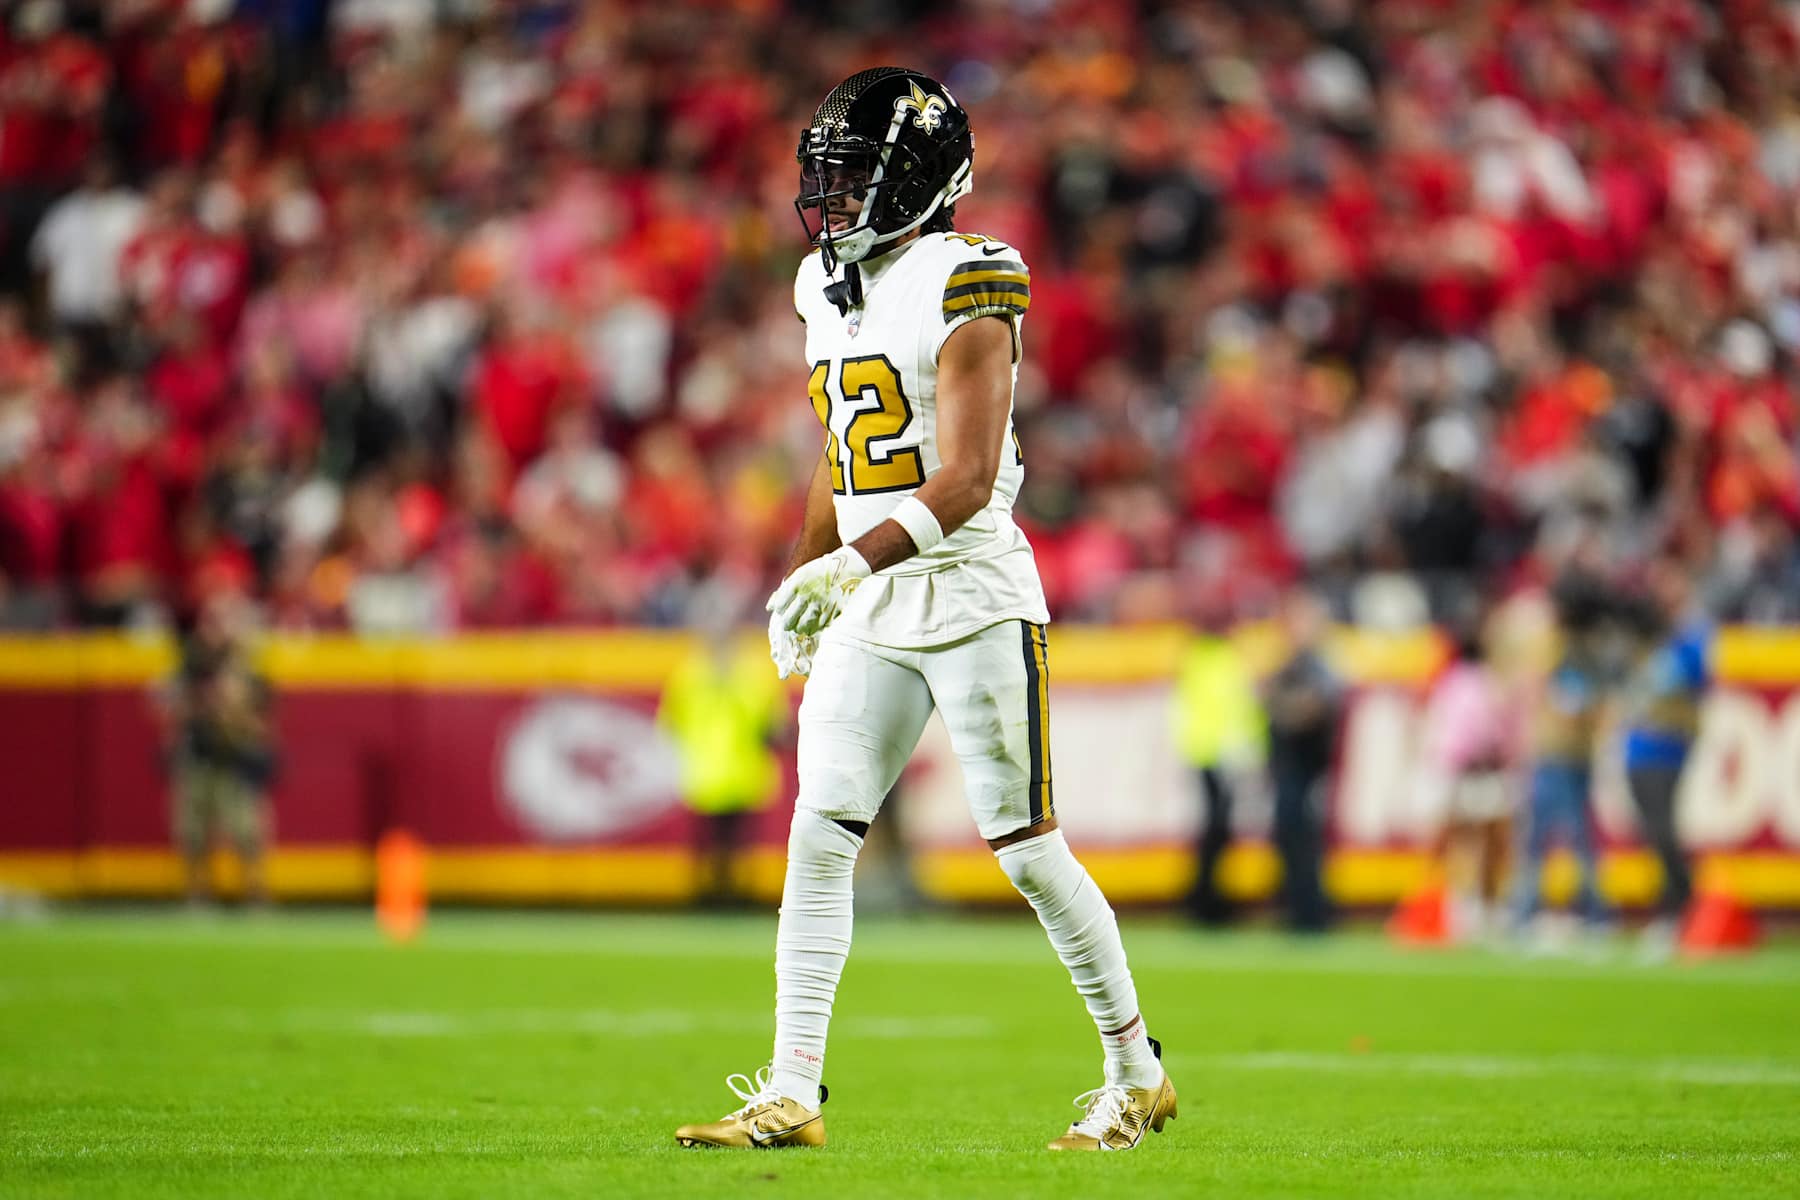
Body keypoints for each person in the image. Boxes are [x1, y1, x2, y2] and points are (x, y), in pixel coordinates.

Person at [675, 68, 1174, 1154]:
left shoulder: (971, 277)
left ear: (923, 182)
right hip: (872, 586)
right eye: (830, 179)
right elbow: (841, 454)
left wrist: (847, 567)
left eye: (859, 179)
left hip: (971, 587)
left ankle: (1136, 1073)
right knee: (820, 830)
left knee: (1027, 848)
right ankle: (793, 1091)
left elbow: (963, 476)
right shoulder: (822, 283)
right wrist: (806, 574)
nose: (837, 201)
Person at [658, 617, 788, 908]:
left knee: (716, 843)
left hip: (710, 771)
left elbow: (670, 723)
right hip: (736, 770)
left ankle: (710, 894)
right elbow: (773, 725)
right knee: (731, 842)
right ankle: (730, 895)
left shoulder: (691, 675)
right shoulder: (750, 676)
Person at [162, 594, 277, 906]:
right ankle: (197, 893)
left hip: (235, 758)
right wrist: (204, 703)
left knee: (247, 832)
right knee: (192, 830)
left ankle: (255, 893)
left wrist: (234, 713)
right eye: (212, 621)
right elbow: (163, 705)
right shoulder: (191, 665)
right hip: (198, 754)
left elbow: (266, 722)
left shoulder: (249, 670)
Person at [1620, 559, 1710, 958]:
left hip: (1668, 747)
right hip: (1639, 746)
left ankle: (1682, 907)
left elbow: (1685, 677)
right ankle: (1675, 907)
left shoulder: (1691, 639)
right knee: (1652, 832)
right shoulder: (1646, 639)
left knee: (1663, 830)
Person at [1417, 626, 1523, 941]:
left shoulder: (1458, 682)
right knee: (1476, 841)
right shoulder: (1475, 682)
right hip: (1470, 771)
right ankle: (1466, 906)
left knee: (1480, 841)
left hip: (1469, 771)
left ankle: (1475, 906)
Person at [1170, 602, 1265, 925]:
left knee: (1215, 831)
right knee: (1216, 831)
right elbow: (1232, 709)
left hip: (1206, 754)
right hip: (1215, 756)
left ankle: (1206, 899)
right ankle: (1206, 902)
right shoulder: (1220, 661)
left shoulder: (1199, 659)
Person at [1261, 588, 1343, 933]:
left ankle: (1311, 914)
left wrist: (1285, 707)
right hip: (1288, 769)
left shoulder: (1320, 668)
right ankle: (1296, 910)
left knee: (1307, 841)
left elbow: (1311, 708)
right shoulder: (1289, 667)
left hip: (1308, 769)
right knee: (1288, 838)